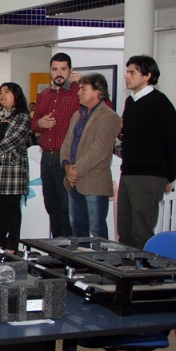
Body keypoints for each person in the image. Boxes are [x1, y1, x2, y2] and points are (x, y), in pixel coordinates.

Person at [117, 55, 176, 249]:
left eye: (132, 72)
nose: (127, 76)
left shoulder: (159, 103)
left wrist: (170, 176)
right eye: (127, 71)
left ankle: (143, 276)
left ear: (147, 75)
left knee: (141, 231)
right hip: (129, 172)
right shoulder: (130, 102)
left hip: (150, 175)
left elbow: (173, 141)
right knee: (125, 230)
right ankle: (126, 272)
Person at [60, 74, 120, 239]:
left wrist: (76, 170)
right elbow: (66, 144)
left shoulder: (109, 117)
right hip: (74, 181)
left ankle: (99, 263)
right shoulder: (77, 116)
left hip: (94, 181)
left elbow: (99, 150)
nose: (79, 93)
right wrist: (66, 166)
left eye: (83, 89)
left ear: (97, 92)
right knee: (78, 229)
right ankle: (81, 264)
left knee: (96, 231)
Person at [0, 83, 32, 259]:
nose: (2, 95)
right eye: (0, 92)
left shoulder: (22, 117)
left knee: (12, 210)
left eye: (6, 92)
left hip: (12, 170)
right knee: (0, 210)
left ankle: (12, 246)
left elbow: (15, 139)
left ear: (16, 95)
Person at [31, 53, 81, 237]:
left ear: (70, 70)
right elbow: (33, 121)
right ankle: (58, 248)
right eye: (54, 69)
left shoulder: (79, 92)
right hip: (47, 157)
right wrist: (39, 124)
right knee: (52, 206)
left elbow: (104, 107)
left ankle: (69, 253)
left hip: (67, 158)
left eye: (63, 69)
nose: (58, 73)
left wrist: (84, 82)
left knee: (67, 206)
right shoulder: (44, 95)